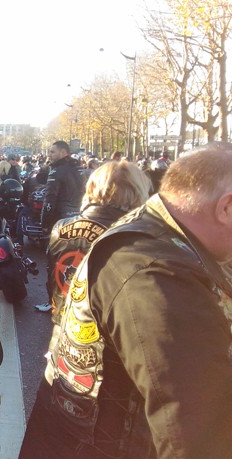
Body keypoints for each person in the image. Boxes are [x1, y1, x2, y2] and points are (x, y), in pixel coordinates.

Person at [20, 142, 232, 458]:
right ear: (226, 207)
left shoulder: (148, 238)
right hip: (103, 442)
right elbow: (194, 430)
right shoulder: (156, 269)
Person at [34, 161, 150, 313]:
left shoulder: (60, 227)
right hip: (103, 324)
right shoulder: (136, 236)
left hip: (66, 319)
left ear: (91, 187)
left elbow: (53, 279)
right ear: (137, 191)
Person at [40, 140, 85, 232]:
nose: (49, 155)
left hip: (61, 220)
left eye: (52, 152)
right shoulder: (80, 170)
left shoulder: (56, 172)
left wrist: (45, 223)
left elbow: (50, 199)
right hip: (81, 217)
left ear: (63, 152)